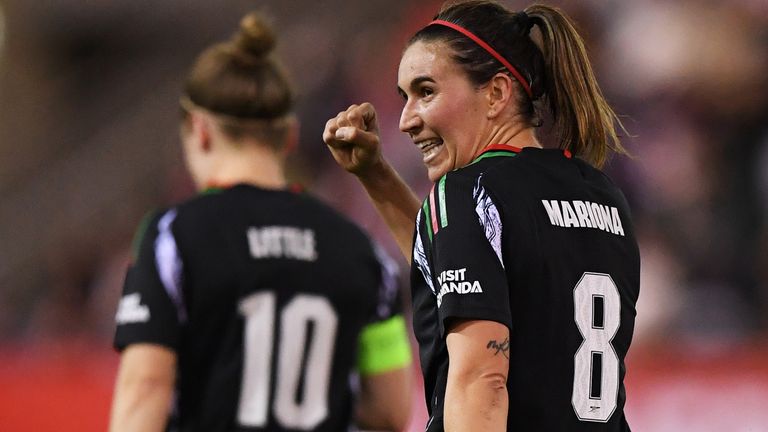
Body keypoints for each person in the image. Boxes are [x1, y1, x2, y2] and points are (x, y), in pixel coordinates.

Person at [323, 1, 640, 431]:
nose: (405, 120)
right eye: (405, 97)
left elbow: (482, 381)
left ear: (496, 93)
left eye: (426, 91)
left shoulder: (468, 192)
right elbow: (456, 264)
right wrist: (376, 176)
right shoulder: (603, 195)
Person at [109, 12, 412, 432]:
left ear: (198, 129)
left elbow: (144, 386)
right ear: (287, 136)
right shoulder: (361, 249)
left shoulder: (172, 238)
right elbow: (392, 412)